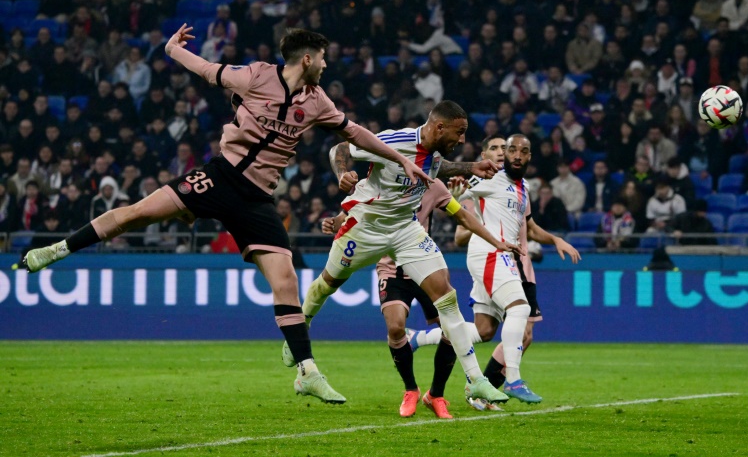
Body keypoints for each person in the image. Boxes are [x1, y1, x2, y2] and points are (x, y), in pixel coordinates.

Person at [20, 27, 438, 405]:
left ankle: (307, 372)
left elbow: (356, 132)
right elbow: (206, 69)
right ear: (307, 58)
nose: (327, 65)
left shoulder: (316, 102)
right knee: (137, 214)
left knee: (286, 278)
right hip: (219, 177)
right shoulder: (256, 76)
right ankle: (56, 249)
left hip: (256, 200)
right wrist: (170, 49)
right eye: (323, 58)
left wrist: (401, 160)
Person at [281, 101, 515, 406]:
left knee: (446, 294)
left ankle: (476, 380)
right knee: (327, 284)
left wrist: (471, 167)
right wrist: (342, 174)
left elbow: (433, 166)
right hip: (366, 228)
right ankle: (301, 327)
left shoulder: (433, 153)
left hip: (406, 230)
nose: (462, 140)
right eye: (459, 133)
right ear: (439, 127)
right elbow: (341, 148)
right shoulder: (395, 140)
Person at [408, 134, 581, 410]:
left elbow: (530, 226)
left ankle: (417, 338)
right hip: (491, 253)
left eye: (519, 151)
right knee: (520, 309)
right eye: (506, 149)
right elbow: (456, 192)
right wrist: (454, 196)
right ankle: (512, 379)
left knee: (485, 330)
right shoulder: (490, 178)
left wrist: (556, 240)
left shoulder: (522, 187)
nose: (511, 154)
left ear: (529, 157)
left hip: (503, 258)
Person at [321, 177, 467, 419]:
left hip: (423, 267)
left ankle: (436, 395)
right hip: (391, 269)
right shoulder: (381, 179)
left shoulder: (433, 185)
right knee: (396, 327)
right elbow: (355, 208)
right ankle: (411, 389)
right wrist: (336, 222)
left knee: (451, 329)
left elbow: (453, 211)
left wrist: (460, 195)